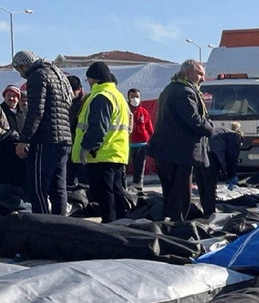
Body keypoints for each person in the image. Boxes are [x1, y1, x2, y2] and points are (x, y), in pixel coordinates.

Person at [147, 59, 214, 221]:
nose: (203, 79)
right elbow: (194, 121)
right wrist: (210, 127)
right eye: (200, 74)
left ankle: (168, 224)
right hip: (179, 153)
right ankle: (177, 228)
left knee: (170, 193)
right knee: (181, 195)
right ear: (187, 72)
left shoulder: (169, 89)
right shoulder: (185, 92)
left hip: (166, 151)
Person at [11, 50, 74, 215]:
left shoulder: (37, 76)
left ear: (24, 65)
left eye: (19, 69)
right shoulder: (57, 74)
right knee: (58, 188)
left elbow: (36, 112)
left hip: (46, 139)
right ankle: (62, 226)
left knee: (38, 188)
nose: (21, 73)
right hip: (64, 139)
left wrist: (24, 139)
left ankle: (44, 227)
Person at [70, 62, 130, 223]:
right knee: (116, 192)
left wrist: (87, 147)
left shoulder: (101, 96)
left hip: (101, 154)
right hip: (117, 153)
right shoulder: (118, 96)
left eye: (88, 79)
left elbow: (98, 126)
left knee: (105, 195)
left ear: (93, 79)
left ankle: (110, 226)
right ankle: (120, 223)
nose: (87, 83)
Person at [126, 88, 153, 194]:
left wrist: (152, 140)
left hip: (142, 144)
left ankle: (138, 187)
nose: (135, 99)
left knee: (140, 167)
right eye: (132, 96)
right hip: (127, 144)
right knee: (123, 167)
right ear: (128, 98)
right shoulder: (124, 110)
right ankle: (122, 186)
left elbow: (149, 128)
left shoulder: (144, 112)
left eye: (137, 96)